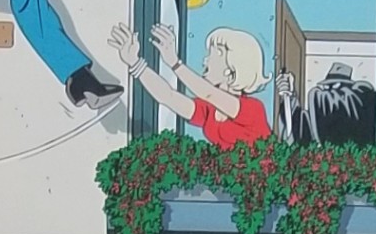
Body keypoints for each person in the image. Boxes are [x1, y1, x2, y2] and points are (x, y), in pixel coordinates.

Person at [107, 18, 273, 147]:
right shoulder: (209, 110)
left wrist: (174, 62)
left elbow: (208, 93)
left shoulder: (253, 110)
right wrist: (135, 63)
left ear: (230, 68)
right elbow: (168, 96)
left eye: (214, 55)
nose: (205, 61)